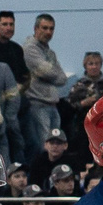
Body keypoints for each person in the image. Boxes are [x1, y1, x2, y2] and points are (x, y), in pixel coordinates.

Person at [21, 14, 69, 154]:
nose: (48, 32)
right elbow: (49, 73)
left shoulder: (50, 52)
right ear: (36, 28)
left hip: (53, 105)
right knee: (45, 148)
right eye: (44, 28)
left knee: (57, 147)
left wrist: (52, 73)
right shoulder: (30, 49)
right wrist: (52, 73)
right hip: (38, 104)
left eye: (51, 29)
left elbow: (62, 78)